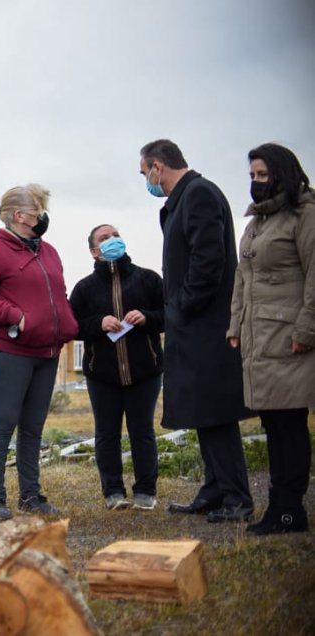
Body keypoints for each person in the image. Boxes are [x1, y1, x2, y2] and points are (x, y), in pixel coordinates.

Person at [139, 139, 254, 523]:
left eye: (145, 174)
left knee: (216, 411)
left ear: (158, 166)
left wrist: (181, 307)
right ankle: (214, 489)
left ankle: (237, 497)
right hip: (193, 325)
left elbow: (209, 262)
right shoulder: (184, 199)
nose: (147, 181)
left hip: (206, 325)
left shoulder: (199, 194)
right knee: (204, 412)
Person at [0, 184, 78, 521]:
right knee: (3, 424)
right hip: (10, 352)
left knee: (33, 427)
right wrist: (15, 316)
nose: (43, 216)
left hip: (47, 353)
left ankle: (31, 495)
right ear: (19, 215)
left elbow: (58, 294)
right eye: (38, 210)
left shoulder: (49, 251)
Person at [227, 143, 315, 535]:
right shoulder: (256, 224)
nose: (256, 183)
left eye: (263, 175)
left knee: (290, 424)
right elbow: (242, 279)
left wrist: (307, 329)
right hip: (259, 337)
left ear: (282, 174)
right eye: (252, 176)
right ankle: (280, 507)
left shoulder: (304, 215)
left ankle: (288, 509)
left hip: (290, 337)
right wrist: (235, 326)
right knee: (273, 424)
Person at [68, 225, 165, 511]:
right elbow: (74, 327)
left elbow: (169, 315)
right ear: (94, 251)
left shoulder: (148, 279)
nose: (113, 240)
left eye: (116, 235)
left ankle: (146, 491)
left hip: (145, 372)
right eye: (104, 238)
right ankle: (113, 492)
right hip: (102, 375)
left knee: (142, 431)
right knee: (107, 433)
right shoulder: (84, 288)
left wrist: (147, 317)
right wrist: (97, 324)